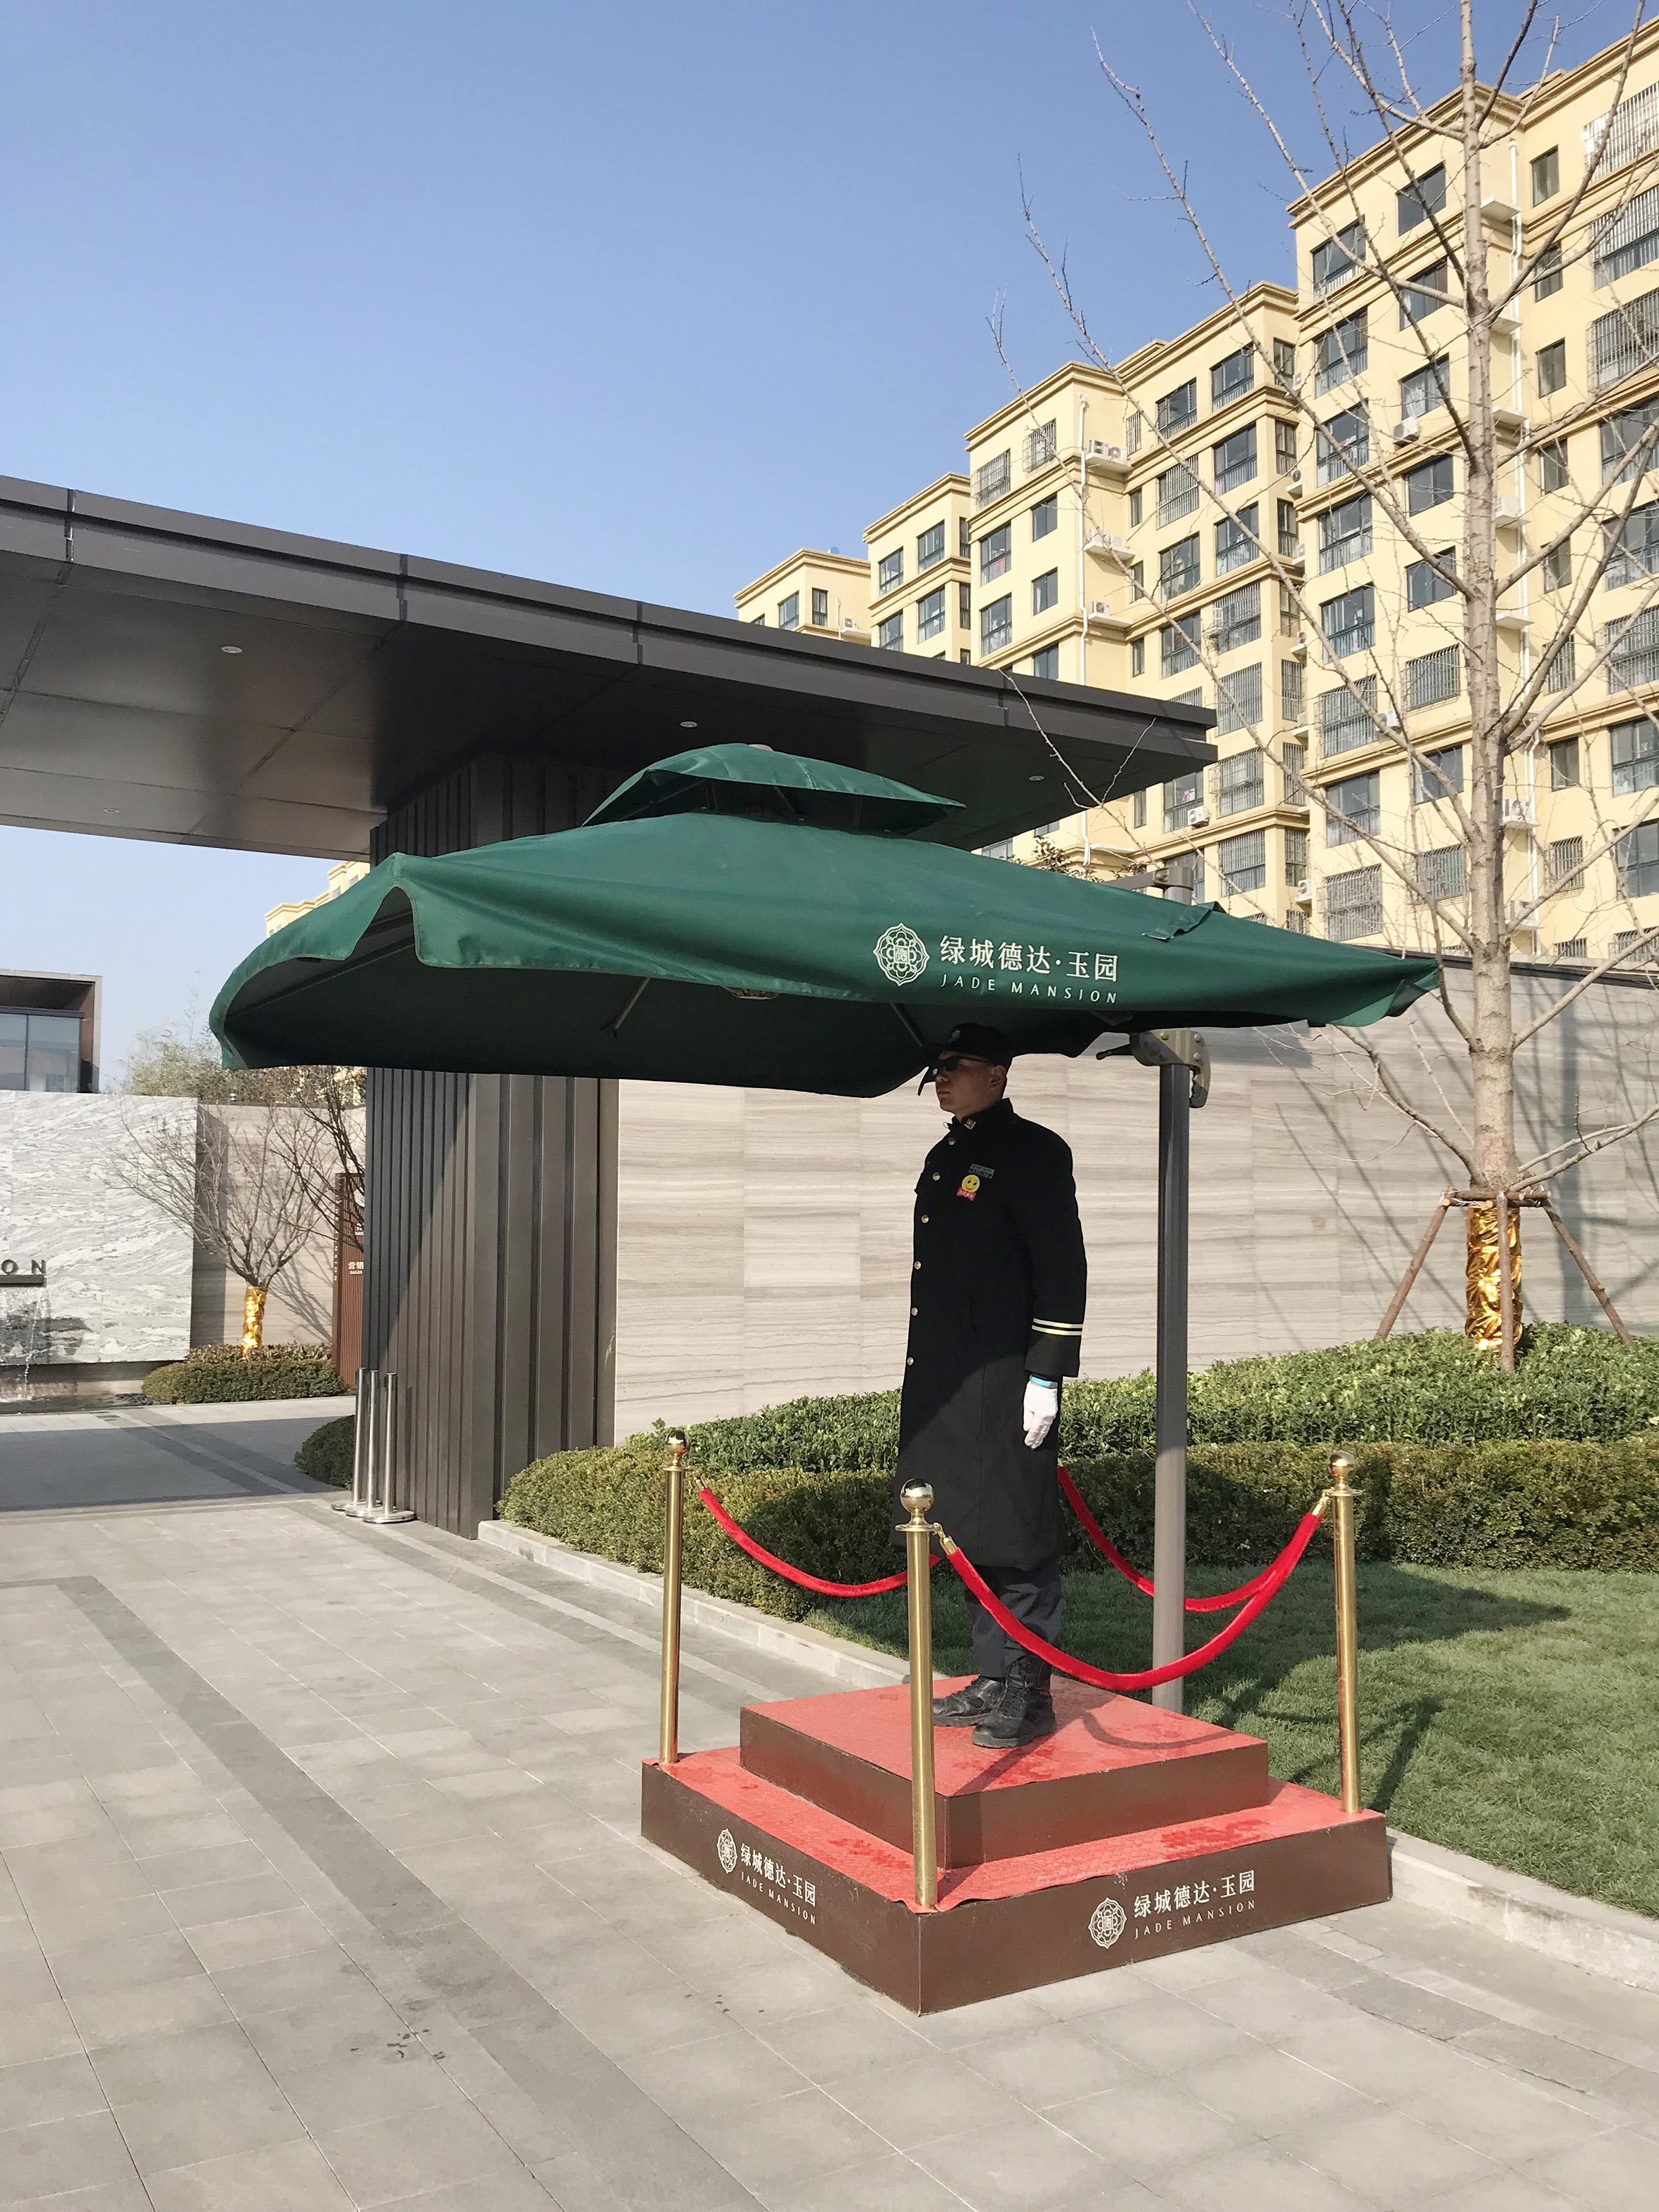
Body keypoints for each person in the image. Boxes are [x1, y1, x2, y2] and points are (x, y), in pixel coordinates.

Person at [895, 1021, 1087, 1749]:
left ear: (998, 1073)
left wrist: (1046, 1370)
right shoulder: (948, 1153)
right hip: (949, 1378)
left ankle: (1030, 1690)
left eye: (956, 1066)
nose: (941, 1078)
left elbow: (1061, 1266)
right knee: (966, 1530)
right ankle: (993, 1674)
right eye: (936, 1068)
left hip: (1008, 1375)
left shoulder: (1034, 1151)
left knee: (1015, 1530)